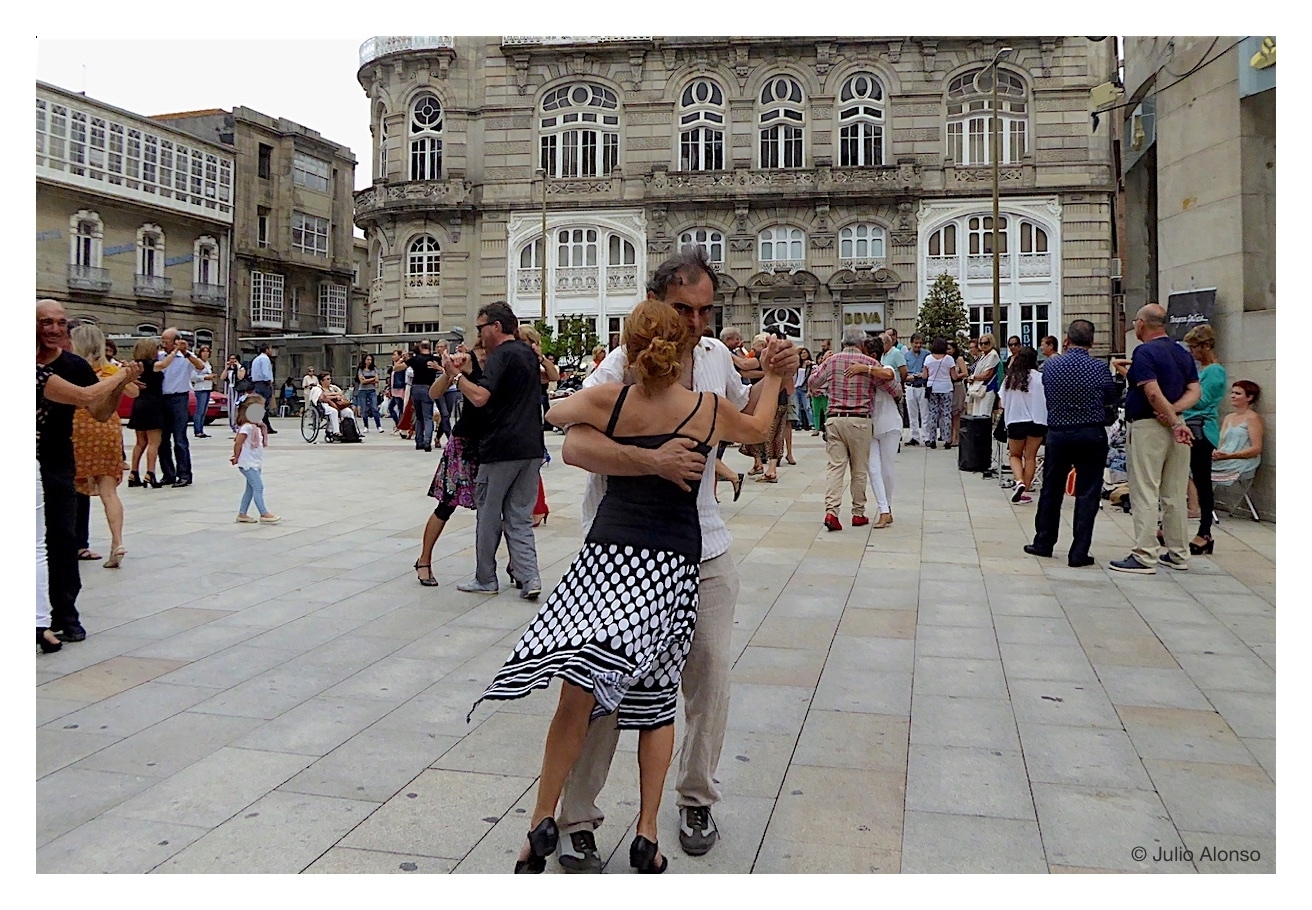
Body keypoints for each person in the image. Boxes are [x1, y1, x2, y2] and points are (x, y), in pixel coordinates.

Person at [472, 298, 785, 875]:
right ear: (682, 350)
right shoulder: (707, 409)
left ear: (629, 349)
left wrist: (608, 418)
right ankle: (646, 833)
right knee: (657, 704)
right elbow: (760, 428)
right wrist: (774, 376)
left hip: (609, 558)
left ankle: (543, 819)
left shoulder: (610, 399)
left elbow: (554, 414)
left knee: (580, 688)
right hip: (672, 565)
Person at [555, 247, 799, 869]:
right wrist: (651, 460)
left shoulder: (715, 357)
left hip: (704, 544)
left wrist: (780, 375)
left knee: (710, 674)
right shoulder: (620, 362)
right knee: (605, 682)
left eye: (705, 310)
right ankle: (577, 815)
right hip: (624, 550)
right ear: (655, 304)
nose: (695, 322)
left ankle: (696, 797)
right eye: (683, 309)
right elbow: (575, 445)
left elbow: (750, 422)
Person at [36, 300, 142, 644]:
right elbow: (85, 396)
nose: (54, 329)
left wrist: (118, 386)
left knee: (62, 536)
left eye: (60, 323)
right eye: (46, 322)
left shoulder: (74, 365)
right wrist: (119, 377)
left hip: (58, 458)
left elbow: (99, 411)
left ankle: (65, 614)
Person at [444, 302, 544, 598]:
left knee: (488, 514)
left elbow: (479, 397)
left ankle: (486, 577)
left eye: (481, 328)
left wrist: (455, 376)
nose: (479, 335)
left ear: (496, 327)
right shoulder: (527, 352)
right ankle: (530, 577)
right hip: (531, 447)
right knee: (520, 516)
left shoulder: (501, 355)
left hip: (501, 447)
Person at [1108, 305, 1201, 574]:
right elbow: (1195, 390)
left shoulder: (1145, 351)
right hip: (1178, 426)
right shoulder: (1181, 353)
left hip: (1149, 426)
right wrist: (1175, 415)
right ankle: (1178, 553)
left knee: (1145, 490)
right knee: (1175, 493)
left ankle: (1144, 554)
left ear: (1142, 324)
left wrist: (1168, 416)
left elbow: (1152, 392)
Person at [1024, 320, 1122, 567]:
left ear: (1066, 340)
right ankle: (1079, 551)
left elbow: (1048, 391)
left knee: (1051, 488)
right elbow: (1111, 396)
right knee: (1088, 492)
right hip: (1090, 432)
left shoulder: (1051, 366)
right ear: (1092, 342)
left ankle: (1044, 541)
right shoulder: (1099, 368)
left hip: (1059, 432)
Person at [808, 326, 901, 530]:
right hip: (860, 420)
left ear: (842, 342)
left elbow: (813, 382)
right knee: (859, 469)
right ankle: (858, 513)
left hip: (835, 419)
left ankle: (831, 512)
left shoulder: (832, 361)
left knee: (835, 467)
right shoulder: (869, 363)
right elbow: (895, 389)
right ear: (862, 343)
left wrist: (820, 365)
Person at [70, 325, 136, 568]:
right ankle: (117, 542)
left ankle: (73, 542)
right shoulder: (111, 368)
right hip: (108, 427)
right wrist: (120, 376)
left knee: (72, 488)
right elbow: (133, 391)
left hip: (78, 427)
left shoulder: (71, 367)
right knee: (109, 492)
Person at [1178, 325, 1226, 554]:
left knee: (1201, 480)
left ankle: (1205, 531)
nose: (1192, 352)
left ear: (1206, 346)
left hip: (1202, 430)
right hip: (1192, 427)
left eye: (1194, 347)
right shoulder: (1204, 370)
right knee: (1180, 477)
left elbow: (1200, 400)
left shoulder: (1214, 371)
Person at [858, 335, 901, 528]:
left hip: (890, 425)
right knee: (873, 469)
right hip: (870, 426)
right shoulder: (861, 376)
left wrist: (865, 368)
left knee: (887, 470)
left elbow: (889, 375)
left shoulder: (886, 368)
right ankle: (883, 510)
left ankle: (888, 506)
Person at [157, 328, 207, 486]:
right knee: (162, 439)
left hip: (179, 398)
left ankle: (184, 474)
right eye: (162, 341)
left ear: (176, 342)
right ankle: (168, 473)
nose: (163, 344)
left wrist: (185, 352)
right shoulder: (160, 356)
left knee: (179, 438)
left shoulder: (186, 357)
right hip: (162, 399)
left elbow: (200, 367)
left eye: (166, 342)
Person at [1000, 345, 1047, 503]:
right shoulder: (1041, 378)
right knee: (1030, 457)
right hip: (1038, 421)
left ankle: (1019, 481)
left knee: (1015, 455)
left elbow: (1002, 403)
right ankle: (1025, 489)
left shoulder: (1010, 380)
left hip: (1016, 420)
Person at [230, 394, 279, 524]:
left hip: (255, 462)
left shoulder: (257, 427)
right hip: (247, 463)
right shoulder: (247, 427)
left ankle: (242, 513)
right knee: (258, 487)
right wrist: (236, 456)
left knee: (250, 489)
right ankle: (263, 513)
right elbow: (238, 443)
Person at [128, 338, 167, 488]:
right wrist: (176, 351)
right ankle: (150, 473)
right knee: (153, 442)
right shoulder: (152, 365)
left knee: (140, 442)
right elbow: (163, 365)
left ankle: (133, 473)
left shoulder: (135, 366)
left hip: (139, 403)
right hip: (153, 404)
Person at [1210, 381, 1264, 491]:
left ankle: (1201, 500)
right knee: (1193, 467)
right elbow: (1221, 441)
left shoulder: (1253, 418)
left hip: (1241, 461)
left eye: (1238, 393)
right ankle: (1198, 500)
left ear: (1249, 397)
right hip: (1223, 458)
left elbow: (1256, 449)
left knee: (1199, 472)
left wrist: (1230, 455)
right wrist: (1215, 452)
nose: (1233, 396)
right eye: (1232, 392)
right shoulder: (1229, 417)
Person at [922, 336, 956, 449]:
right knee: (946, 414)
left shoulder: (928, 359)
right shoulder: (949, 359)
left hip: (932, 388)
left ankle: (932, 439)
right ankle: (947, 439)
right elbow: (954, 376)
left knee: (933, 414)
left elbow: (925, 375)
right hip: (946, 387)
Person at [407, 340, 441, 451]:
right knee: (428, 417)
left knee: (419, 416)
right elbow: (446, 369)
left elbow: (398, 367)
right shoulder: (434, 360)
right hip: (428, 388)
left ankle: (419, 442)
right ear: (430, 348)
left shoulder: (415, 359)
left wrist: (403, 358)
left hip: (415, 388)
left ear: (420, 348)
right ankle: (427, 442)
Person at [308, 373, 356, 439]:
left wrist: (330, 395)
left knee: (348, 411)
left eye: (330, 378)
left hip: (336, 404)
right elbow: (321, 398)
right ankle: (336, 432)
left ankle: (353, 431)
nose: (330, 380)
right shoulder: (317, 389)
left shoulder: (333, 387)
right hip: (323, 406)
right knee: (333, 411)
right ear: (322, 381)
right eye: (327, 379)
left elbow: (341, 393)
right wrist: (335, 396)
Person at [966, 333, 1000, 418]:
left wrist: (973, 377)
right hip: (978, 388)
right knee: (976, 415)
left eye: (986, 343)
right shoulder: (983, 355)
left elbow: (987, 374)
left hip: (987, 388)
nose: (983, 345)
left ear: (991, 342)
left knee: (984, 416)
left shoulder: (993, 355)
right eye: (981, 343)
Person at [904, 333, 930, 445]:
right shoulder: (906, 356)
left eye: (920, 343)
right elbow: (904, 372)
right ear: (911, 343)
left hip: (922, 386)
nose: (918, 345)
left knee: (925, 413)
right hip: (910, 386)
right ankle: (914, 436)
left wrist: (922, 375)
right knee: (912, 413)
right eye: (916, 343)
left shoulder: (927, 354)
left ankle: (926, 437)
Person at [249, 342, 277, 435]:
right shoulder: (265, 359)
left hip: (257, 383)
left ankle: (262, 424)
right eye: (270, 349)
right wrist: (269, 380)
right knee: (264, 405)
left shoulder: (256, 359)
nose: (271, 351)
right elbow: (265, 372)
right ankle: (264, 425)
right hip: (264, 384)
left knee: (258, 404)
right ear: (266, 349)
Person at [190, 344, 215, 438]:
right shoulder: (197, 362)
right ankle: (197, 430)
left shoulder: (208, 363)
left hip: (208, 388)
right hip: (200, 388)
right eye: (203, 351)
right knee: (199, 410)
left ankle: (201, 429)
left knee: (204, 410)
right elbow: (193, 376)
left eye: (207, 351)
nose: (205, 353)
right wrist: (205, 377)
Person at [947, 339, 968, 446]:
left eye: (949, 349)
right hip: (948, 387)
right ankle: (950, 437)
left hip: (958, 386)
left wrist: (954, 376)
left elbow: (965, 373)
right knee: (949, 413)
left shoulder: (959, 359)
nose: (947, 351)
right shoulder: (945, 359)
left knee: (957, 413)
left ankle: (957, 437)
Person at [356, 354, 385, 433]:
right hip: (363, 390)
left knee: (374, 408)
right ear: (364, 360)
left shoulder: (374, 369)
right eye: (368, 360)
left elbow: (377, 380)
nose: (369, 361)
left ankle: (379, 426)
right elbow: (362, 381)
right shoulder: (361, 369)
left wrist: (367, 379)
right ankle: (366, 426)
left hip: (372, 390)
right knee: (364, 409)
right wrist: (372, 379)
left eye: (371, 360)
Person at [223, 354, 246, 433]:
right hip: (230, 389)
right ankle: (232, 424)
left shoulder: (241, 368)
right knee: (230, 408)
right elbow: (222, 377)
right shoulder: (229, 369)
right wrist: (226, 368)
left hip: (237, 390)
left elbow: (240, 377)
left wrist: (238, 366)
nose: (232, 360)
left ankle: (237, 424)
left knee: (236, 408)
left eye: (234, 359)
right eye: (230, 359)